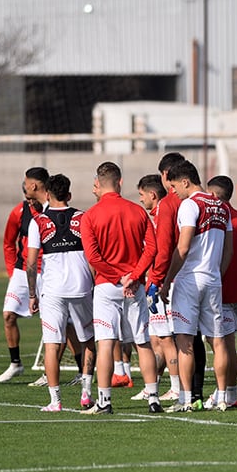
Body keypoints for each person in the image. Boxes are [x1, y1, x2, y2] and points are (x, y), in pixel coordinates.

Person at [79, 161, 159, 415]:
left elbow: (93, 257)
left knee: (105, 344)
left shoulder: (90, 215)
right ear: (120, 182)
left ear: (98, 184)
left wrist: (117, 277)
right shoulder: (138, 211)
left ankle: (104, 401)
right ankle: (153, 398)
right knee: (143, 342)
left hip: (107, 286)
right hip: (133, 287)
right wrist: (133, 276)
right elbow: (152, 249)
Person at [160, 160, 232, 412]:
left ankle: (186, 399)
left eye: (174, 187)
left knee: (184, 341)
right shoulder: (222, 206)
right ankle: (222, 397)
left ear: (185, 181)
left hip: (190, 279)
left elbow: (183, 246)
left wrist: (167, 281)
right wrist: (216, 274)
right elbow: (228, 250)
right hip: (212, 279)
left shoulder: (190, 204)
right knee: (218, 341)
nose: (174, 193)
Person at [27, 174, 94, 412]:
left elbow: (32, 263)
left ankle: (55, 401)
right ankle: (86, 394)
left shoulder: (38, 222)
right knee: (87, 340)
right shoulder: (83, 217)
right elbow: (93, 255)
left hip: (52, 290)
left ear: (47, 195)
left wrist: (32, 294)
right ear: (70, 195)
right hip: (82, 287)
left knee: (52, 345)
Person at [204, 175, 237, 410]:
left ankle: (225, 393)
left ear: (213, 195)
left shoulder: (220, 220)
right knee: (226, 342)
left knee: (222, 344)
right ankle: (229, 392)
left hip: (221, 290)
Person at [0, 167, 49, 383]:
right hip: (22, 272)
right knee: (8, 315)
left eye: (26, 183)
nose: (24, 187)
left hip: (47, 272)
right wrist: (13, 272)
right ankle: (15, 363)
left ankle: (50, 371)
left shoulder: (52, 208)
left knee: (51, 323)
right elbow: (9, 243)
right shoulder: (19, 212)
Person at [135, 173, 181, 402]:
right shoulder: (155, 214)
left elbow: (162, 251)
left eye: (142, 195)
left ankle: (175, 388)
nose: (141, 200)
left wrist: (155, 280)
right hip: (158, 279)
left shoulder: (162, 213)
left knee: (165, 338)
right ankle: (152, 385)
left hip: (161, 281)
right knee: (155, 338)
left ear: (153, 195)